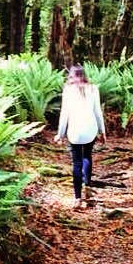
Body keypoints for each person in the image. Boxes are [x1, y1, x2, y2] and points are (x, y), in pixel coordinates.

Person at [55, 64, 106, 208]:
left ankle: (77, 198)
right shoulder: (93, 89)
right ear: (84, 75)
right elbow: (98, 113)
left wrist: (60, 134)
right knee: (87, 156)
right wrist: (102, 131)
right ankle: (87, 185)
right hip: (91, 129)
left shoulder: (68, 90)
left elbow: (64, 114)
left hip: (75, 131)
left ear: (71, 76)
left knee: (77, 163)